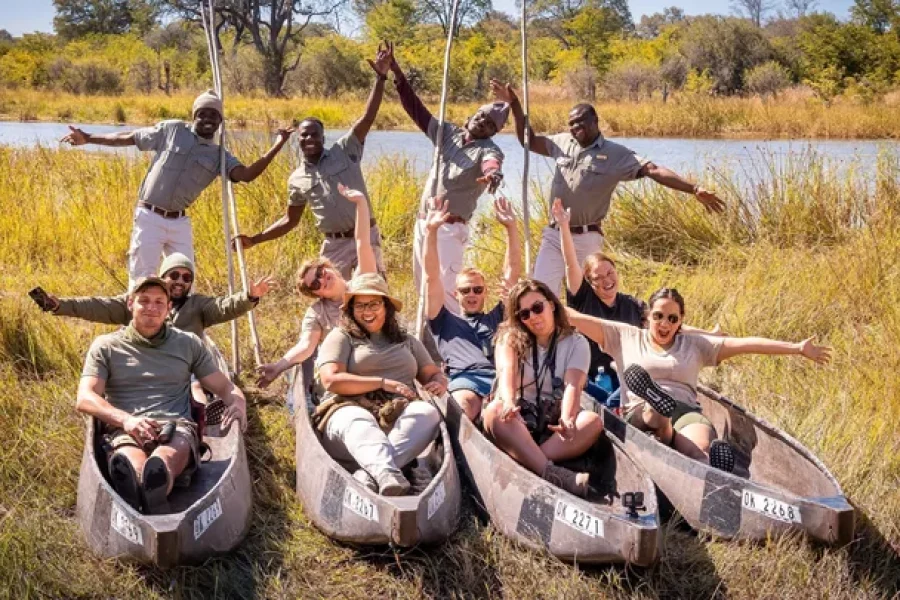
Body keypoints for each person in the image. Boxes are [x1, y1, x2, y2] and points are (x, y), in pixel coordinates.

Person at [490, 80, 726, 296]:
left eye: (580, 122)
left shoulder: (615, 154)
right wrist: (515, 104)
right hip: (554, 234)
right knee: (540, 293)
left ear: (595, 121)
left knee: (585, 298)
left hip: (587, 238)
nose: (575, 128)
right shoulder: (561, 143)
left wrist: (693, 189)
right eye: (571, 124)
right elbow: (527, 140)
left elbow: (653, 170)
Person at [566, 287, 832, 472]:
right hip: (639, 410)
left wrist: (797, 348)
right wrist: (535, 298)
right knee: (655, 413)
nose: (664, 323)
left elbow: (745, 344)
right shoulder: (624, 335)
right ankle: (659, 408)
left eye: (672, 318)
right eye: (658, 316)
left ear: (681, 321)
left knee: (699, 449)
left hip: (686, 410)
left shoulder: (694, 345)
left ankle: (712, 472)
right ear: (648, 317)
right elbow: (574, 318)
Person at [61, 90, 293, 287]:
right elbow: (130, 137)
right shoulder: (172, 130)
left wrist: (278, 144)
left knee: (184, 279)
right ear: (194, 116)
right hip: (149, 216)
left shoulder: (219, 155)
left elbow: (247, 175)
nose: (207, 119)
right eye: (202, 114)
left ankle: (178, 331)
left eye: (214, 115)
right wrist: (88, 138)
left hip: (179, 222)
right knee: (142, 279)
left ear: (220, 121)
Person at [76, 277, 248, 514]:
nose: (151, 308)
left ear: (168, 308)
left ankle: (153, 486)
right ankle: (135, 483)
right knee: (129, 456)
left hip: (175, 426)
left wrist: (238, 403)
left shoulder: (188, 343)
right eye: (143, 301)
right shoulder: (106, 346)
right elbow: (85, 397)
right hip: (125, 427)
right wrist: (126, 420)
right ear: (130, 304)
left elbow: (224, 387)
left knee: (164, 458)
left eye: (159, 302)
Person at [234, 44, 394, 279]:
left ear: (322, 136)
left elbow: (368, 117)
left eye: (314, 134)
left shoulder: (344, 149)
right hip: (334, 245)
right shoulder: (297, 179)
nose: (309, 138)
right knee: (333, 300)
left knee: (371, 292)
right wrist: (255, 239)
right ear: (298, 139)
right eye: (304, 135)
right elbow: (290, 220)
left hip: (365, 236)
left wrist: (380, 78)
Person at [387, 42, 508, 313]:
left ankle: (454, 348)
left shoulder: (489, 149)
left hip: (449, 229)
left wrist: (492, 175)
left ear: (494, 132)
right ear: (469, 118)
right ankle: (427, 346)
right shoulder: (447, 134)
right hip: (424, 223)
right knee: (424, 289)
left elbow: (492, 164)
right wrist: (396, 71)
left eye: (490, 125)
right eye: (480, 118)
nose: (483, 124)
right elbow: (416, 110)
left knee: (448, 291)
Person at [315, 273, 448, 495]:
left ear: (386, 306)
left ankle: (370, 475)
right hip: (347, 412)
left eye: (374, 304)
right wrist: (383, 383)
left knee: (427, 412)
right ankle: (386, 472)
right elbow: (331, 380)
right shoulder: (342, 337)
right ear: (351, 309)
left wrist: (439, 382)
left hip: (396, 418)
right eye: (360, 306)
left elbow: (432, 374)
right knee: (360, 420)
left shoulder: (407, 341)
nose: (367, 311)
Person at [482, 279, 603, 498]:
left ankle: (528, 460)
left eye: (538, 308)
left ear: (552, 305)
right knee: (495, 412)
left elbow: (572, 385)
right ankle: (552, 473)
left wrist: (567, 418)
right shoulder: (510, 338)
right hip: (517, 418)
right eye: (524, 314)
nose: (533, 317)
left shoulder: (577, 342)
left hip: (550, 420)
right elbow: (507, 375)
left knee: (592, 422)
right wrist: (510, 403)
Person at [255, 185, 377, 389]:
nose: (322, 279)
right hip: (344, 369)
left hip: (374, 359)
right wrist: (278, 366)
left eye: (321, 272)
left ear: (328, 267)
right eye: (315, 283)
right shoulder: (318, 313)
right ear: (315, 293)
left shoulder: (361, 282)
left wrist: (361, 203)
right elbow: (306, 346)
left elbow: (362, 242)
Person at [422, 196, 520, 421]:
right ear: (455, 294)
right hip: (466, 379)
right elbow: (431, 277)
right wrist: (431, 232)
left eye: (477, 290)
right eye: (465, 291)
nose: (472, 295)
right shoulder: (442, 320)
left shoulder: (498, 318)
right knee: (464, 403)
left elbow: (512, 274)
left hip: (502, 379)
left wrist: (511, 228)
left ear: (485, 292)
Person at [38, 252, 273, 337]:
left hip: (184, 368)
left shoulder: (197, 306)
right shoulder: (141, 301)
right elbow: (97, 306)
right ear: (163, 277)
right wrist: (60, 305)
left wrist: (249, 297)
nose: (180, 281)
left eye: (186, 277)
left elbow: (225, 306)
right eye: (174, 275)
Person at [551, 198, 645, 407]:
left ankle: (619, 408)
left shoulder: (633, 305)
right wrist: (564, 226)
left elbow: (663, 326)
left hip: (624, 379)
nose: (607, 281)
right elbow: (570, 263)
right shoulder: (583, 299)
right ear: (589, 282)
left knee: (640, 379)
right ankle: (613, 409)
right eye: (598, 278)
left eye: (610, 273)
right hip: (588, 379)